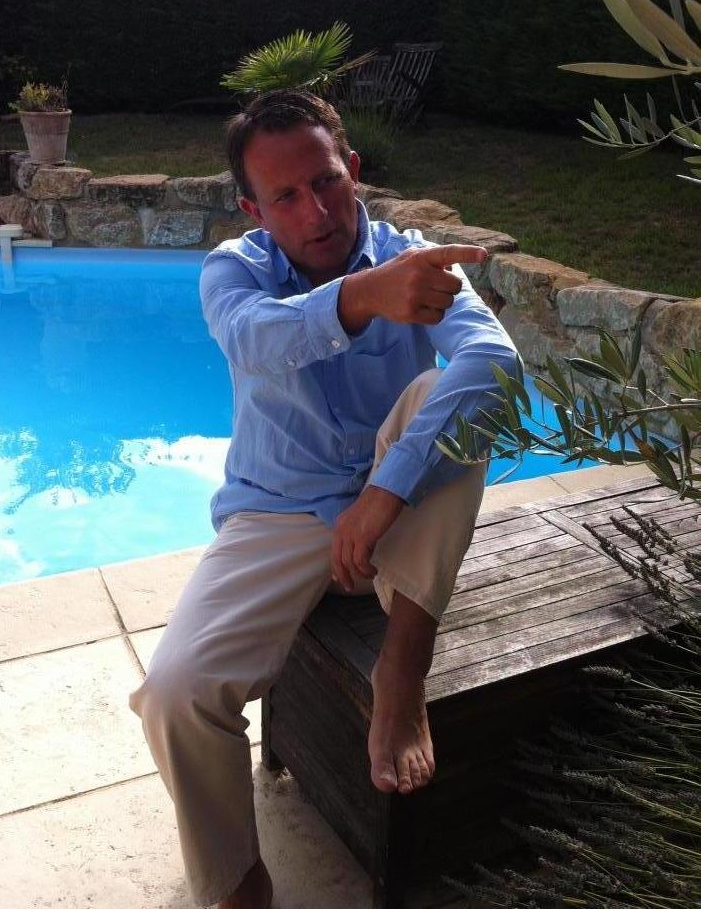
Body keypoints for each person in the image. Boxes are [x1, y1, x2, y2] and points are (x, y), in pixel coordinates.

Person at [130, 89, 520, 909]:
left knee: (456, 396)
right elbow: (255, 338)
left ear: (355, 172)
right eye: (285, 196)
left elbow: (496, 366)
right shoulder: (233, 271)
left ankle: (402, 670)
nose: (315, 211)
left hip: (399, 508)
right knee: (174, 694)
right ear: (253, 209)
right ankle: (238, 884)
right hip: (278, 510)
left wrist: (385, 490)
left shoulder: (416, 259)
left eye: (327, 182)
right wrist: (364, 297)